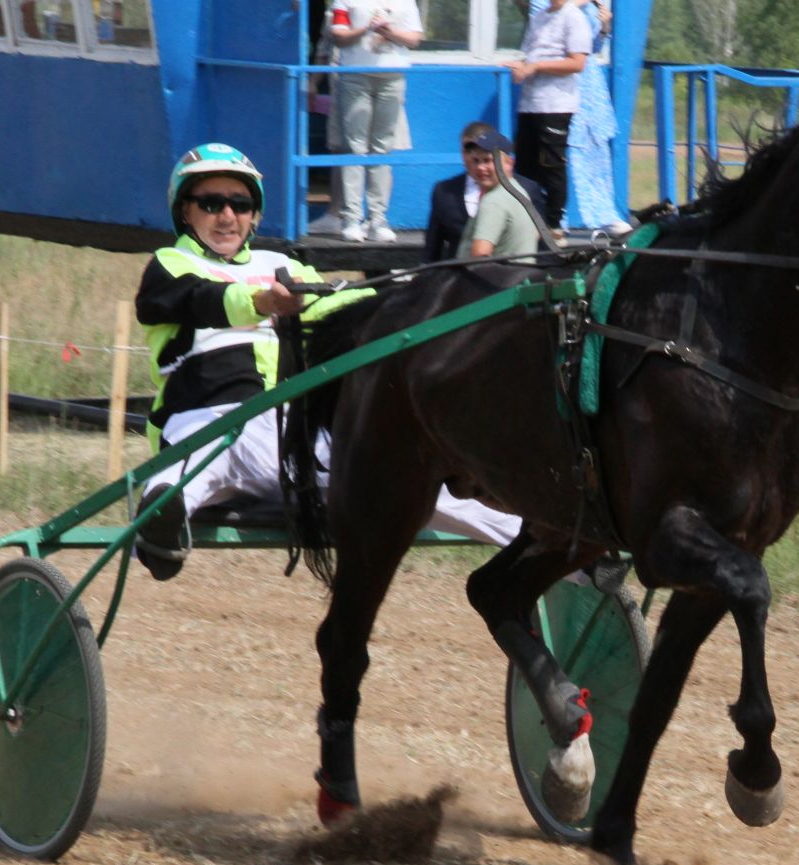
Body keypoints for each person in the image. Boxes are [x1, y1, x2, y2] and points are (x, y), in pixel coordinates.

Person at [133, 143, 520, 581]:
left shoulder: (278, 263)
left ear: (254, 214)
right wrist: (262, 300)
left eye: (239, 204)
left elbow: (341, 304)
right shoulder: (171, 263)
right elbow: (194, 298)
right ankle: (163, 514)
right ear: (186, 211)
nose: (227, 216)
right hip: (201, 419)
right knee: (196, 461)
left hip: (283, 432)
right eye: (211, 203)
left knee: (404, 475)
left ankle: (545, 537)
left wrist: (415, 300)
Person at [324, 1, 422, 243]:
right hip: (355, 76)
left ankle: (378, 219)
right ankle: (352, 219)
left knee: (382, 149)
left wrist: (389, 32)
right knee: (355, 148)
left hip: (393, 77)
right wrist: (366, 29)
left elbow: (415, 39)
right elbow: (338, 36)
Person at [504, 0, 591, 243]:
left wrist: (535, 67)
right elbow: (529, 56)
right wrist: (519, 66)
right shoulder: (539, 16)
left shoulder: (573, 16)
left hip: (557, 104)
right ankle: (528, 221)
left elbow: (577, 63)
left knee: (552, 165)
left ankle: (554, 225)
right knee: (525, 167)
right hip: (530, 103)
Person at [423, 122, 548, 263]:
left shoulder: (498, 199)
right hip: (513, 276)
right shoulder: (444, 191)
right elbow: (432, 248)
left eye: (488, 160)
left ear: (509, 163)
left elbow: (479, 257)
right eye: (476, 159)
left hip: (488, 280)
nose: (480, 167)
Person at [560, 0, 632, 236]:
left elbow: (593, 45)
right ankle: (557, 216)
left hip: (589, 82)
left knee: (595, 147)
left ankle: (603, 214)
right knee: (558, 148)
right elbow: (549, 24)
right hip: (561, 78)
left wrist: (604, 27)